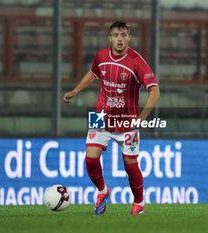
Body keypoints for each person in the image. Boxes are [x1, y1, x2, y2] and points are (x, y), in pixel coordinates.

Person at [63, 21, 160, 215]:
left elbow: (155, 91)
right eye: (116, 35)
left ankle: (139, 203)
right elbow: (92, 74)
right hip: (101, 115)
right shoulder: (100, 56)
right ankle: (102, 191)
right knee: (90, 160)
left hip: (127, 120)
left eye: (123, 35)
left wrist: (141, 118)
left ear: (128, 38)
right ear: (110, 38)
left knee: (130, 165)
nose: (119, 39)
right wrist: (75, 90)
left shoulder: (136, 61)